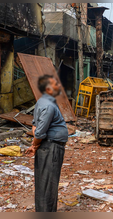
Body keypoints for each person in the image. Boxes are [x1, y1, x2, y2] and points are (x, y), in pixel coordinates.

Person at [25, 75, 68, 212]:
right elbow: (39, 132)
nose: (58, 87)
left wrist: (35, 145)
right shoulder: (48, 106)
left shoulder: (42, 102)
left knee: (44, 181)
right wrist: (35, 144)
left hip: (48, 146)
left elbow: (35, 126)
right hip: (51, 147)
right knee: (48, 184)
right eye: (56, 85)